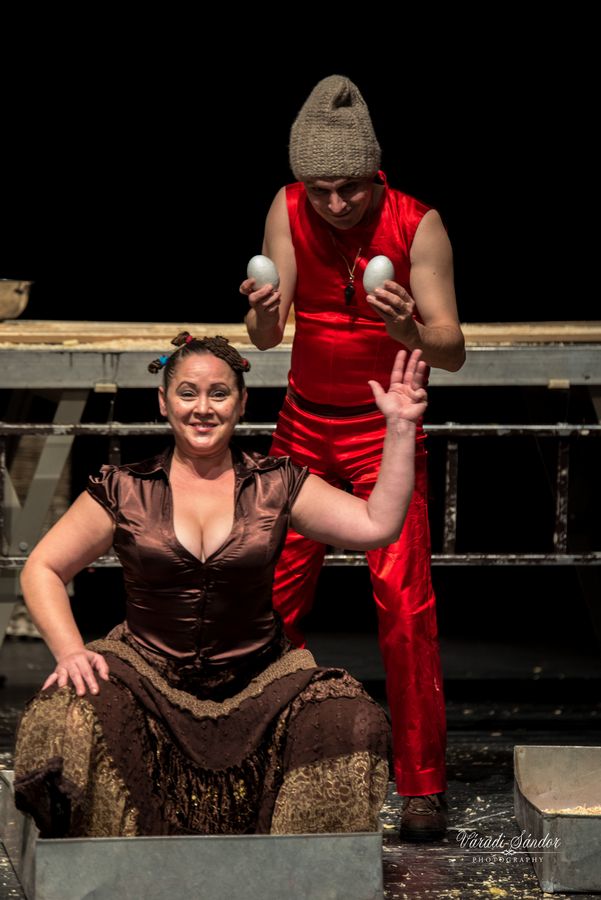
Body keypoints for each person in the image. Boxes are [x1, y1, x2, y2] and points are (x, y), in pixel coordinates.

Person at [14, 333, 427, 839]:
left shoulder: (276, 482)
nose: (203, 408)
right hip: (146, 678)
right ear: (164, 401)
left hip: (258, 683)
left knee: (350, 721)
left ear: (242, 402)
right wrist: (70, 652)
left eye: (219, 393)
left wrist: (400, 429)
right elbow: (42, 568)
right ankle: (111, 869)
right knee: (63, 716)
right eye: (187, 393)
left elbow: (377, 524)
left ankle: (298, 871)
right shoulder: (124, 488)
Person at [242, 75, 465, 841]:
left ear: (375, 171)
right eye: (320, 190)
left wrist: (409, 331)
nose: (334, 204)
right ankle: (260, 756)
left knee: (405, 610)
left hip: (381, 437)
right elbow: (266, 338)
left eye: (349, 188)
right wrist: (261, 313)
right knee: (264, 602)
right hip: (302, 430)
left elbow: (452, 349)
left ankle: (421, 786)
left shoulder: (416, 223)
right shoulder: (286, 207)